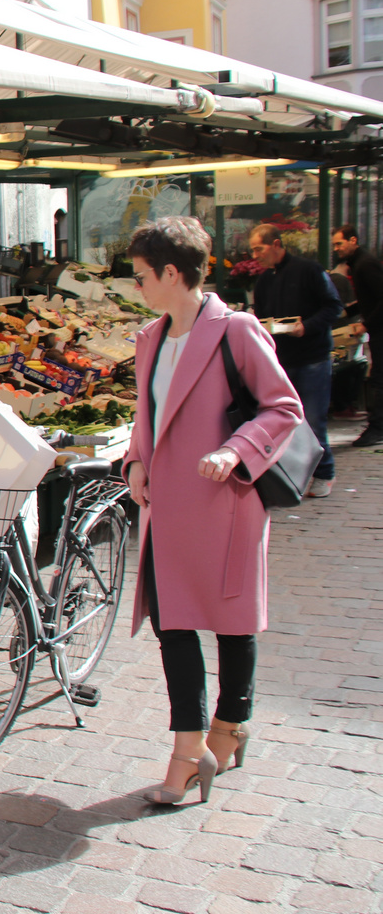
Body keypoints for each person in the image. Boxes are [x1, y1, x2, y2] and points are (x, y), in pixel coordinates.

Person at [122, 218, 304, 806]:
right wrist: (136, 464)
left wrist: (235, 450)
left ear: (172, 273)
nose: (138, 287)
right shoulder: (149, 337)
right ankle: (190, 743)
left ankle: (228, 726)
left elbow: (283, 407)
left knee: (230, 624)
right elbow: (146, 416)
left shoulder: (237, 331)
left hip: (226, 502)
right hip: (168, 508)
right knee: (172, 625)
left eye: (143, 277)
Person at [249, 224, 344, 497]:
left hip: (312, 357)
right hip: (280, 360)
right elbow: (261, 317)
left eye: (259, 249)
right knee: (282, 420)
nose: (255, 255)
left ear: (276, 244)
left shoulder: (310, 270)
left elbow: (333, 306)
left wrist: (308, 326)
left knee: (313, 419)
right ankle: (291, 475)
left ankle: (325, 474)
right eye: (253, 250)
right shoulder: (264, 280)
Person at [333, 223, 383, 446]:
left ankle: (377, 428)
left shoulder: (365, 265)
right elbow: (369, 299)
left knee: (379, 378)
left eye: (339, 244)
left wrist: (366, 325)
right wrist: (348, 311)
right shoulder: (359, 264)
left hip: (379, 329)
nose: (336, 248)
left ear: (353, 240)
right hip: (377, 328)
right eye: (334, 245)